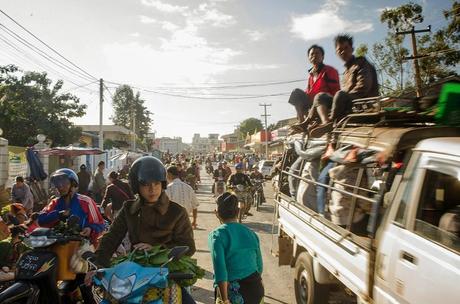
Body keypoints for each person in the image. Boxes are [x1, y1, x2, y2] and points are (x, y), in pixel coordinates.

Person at [90, 156, 196, 269]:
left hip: (167, 272)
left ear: (163, 184)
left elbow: (188, 247)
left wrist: (156, 249)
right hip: (136, 272)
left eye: (156, 183)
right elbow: (111, 238)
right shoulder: (128, 209)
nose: (152, 189)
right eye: (146, 184)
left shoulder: (177, 212)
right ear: (137, 186)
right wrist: (97, 264)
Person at [309, 34, 379, 138]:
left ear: (352, 49)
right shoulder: (346, 71)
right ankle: (320, 122)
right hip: (349, 103)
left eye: (346, 48)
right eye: (340, 50)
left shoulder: (361, 63)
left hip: (363, 105)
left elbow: (363, 88)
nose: (343, 52)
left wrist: (344, 96)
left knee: (340, 94)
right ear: (337, 53)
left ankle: (331, 124)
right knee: (320, 96)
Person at [208, 192, 264, 304]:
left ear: (217, 213)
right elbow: (259, 267)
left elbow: (220, 272)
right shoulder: (251, 234)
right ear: (238, 212)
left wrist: (225, 300)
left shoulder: (217, 235)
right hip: (255, 289)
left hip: (234, 293)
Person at [290, 44, 340, 133]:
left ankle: (323, 123)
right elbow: (308, 92)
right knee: (296, 92)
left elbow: (336, 91)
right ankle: (302, 122)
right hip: (313, 104)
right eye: (312, 54)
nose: (314, 56)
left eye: (317, 53)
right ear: (309, 58)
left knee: (319, 96)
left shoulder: (329, 70)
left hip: (326, 102)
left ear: (322, 57)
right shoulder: (311, 76)